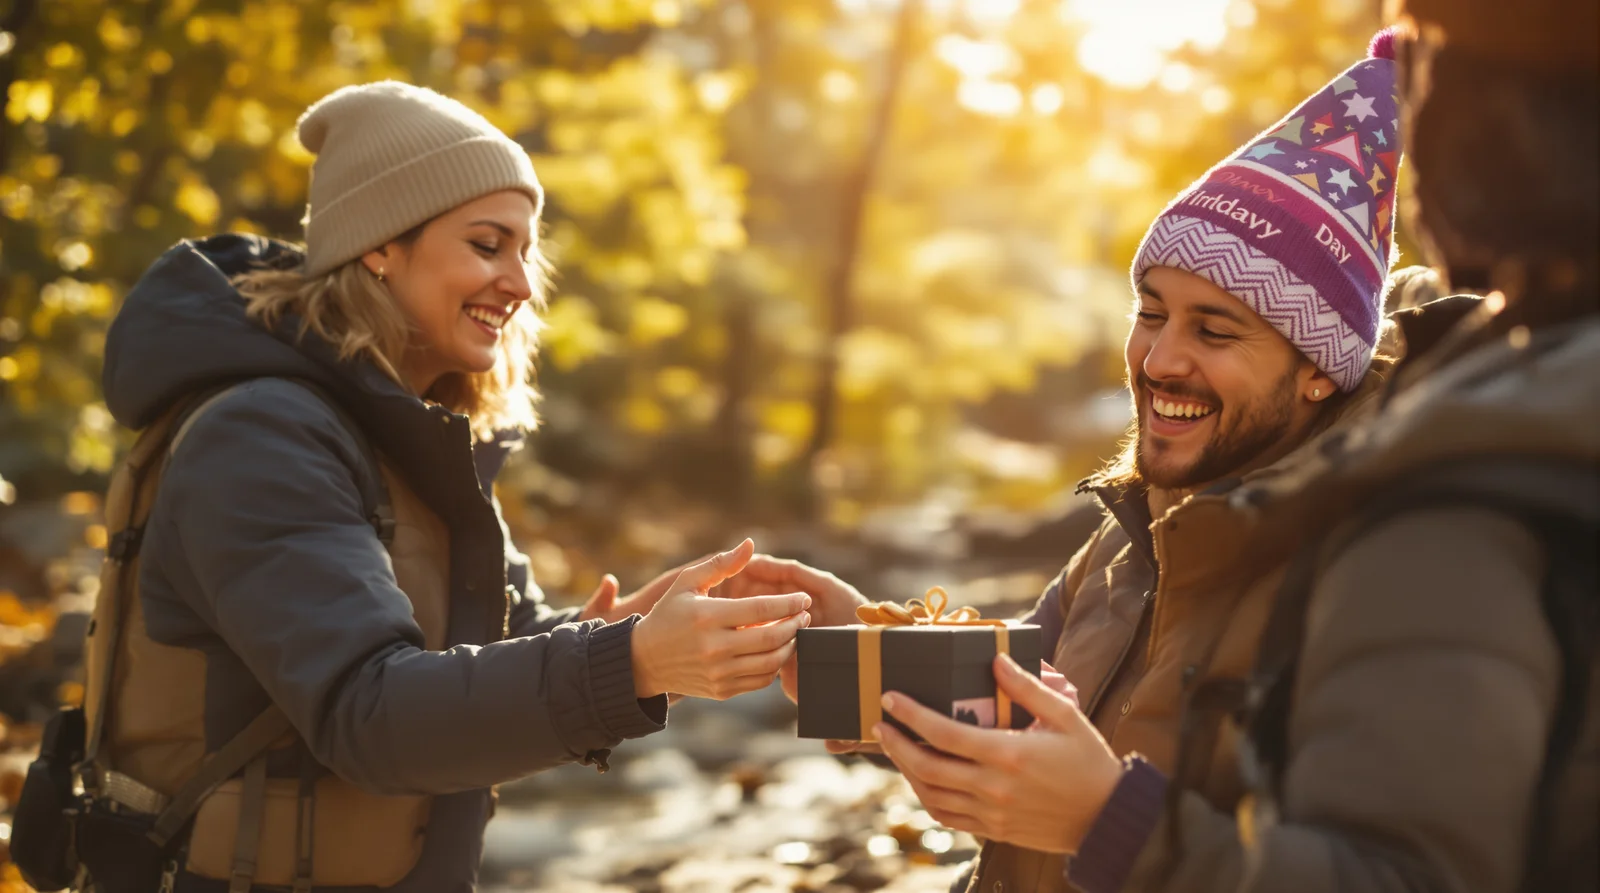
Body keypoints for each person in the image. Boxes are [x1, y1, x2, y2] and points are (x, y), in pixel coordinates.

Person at [732, 32, 1425, 893]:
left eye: (1214, 330)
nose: (1159, 360)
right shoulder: (1137, 528)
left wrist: (1109, 823)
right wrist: (870, 654)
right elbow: (1022, 707)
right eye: (1151, 312)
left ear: (1320, 368)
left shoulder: (1381, 571)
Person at [74, 82, 810, 892]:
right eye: (489, 244)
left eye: (526, 251)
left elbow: (489, 655)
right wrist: (628, 661)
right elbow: (371, 714)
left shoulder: (413, 440)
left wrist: (629, 631)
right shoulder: (260, 438)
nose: (522, 284)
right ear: (379, 246)